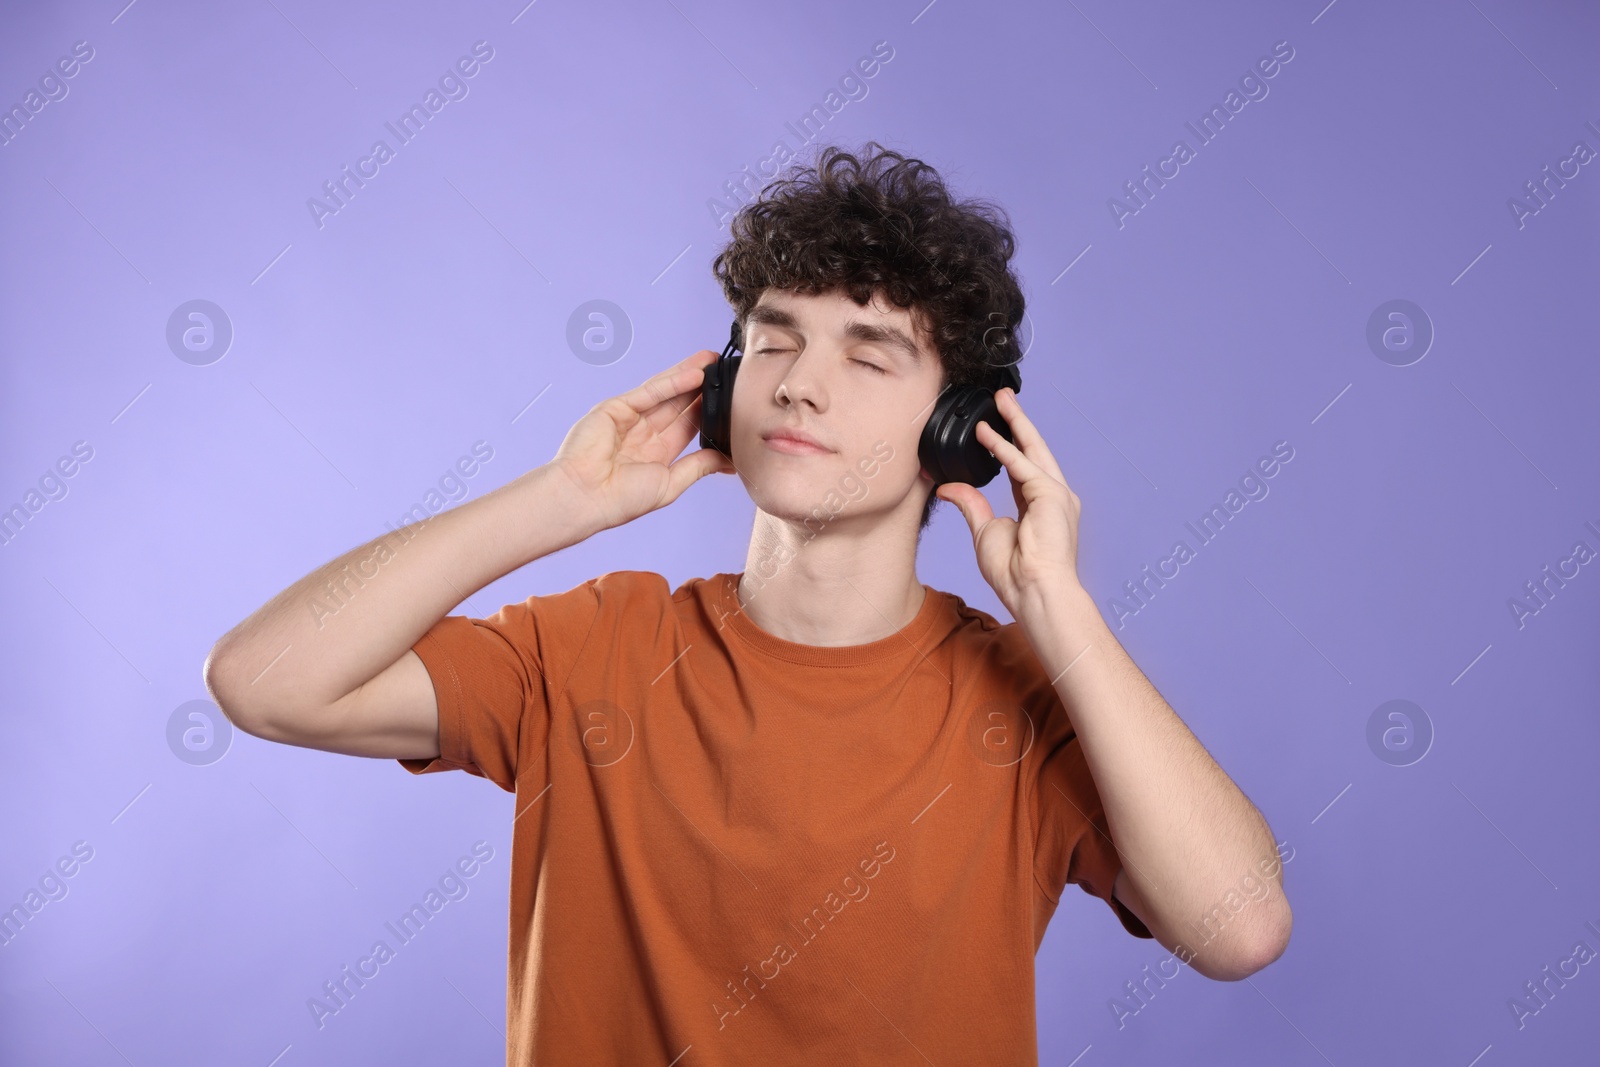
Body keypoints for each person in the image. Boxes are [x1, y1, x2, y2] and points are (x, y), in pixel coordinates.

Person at [205, 142, 1290, 1065]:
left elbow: (1238, 927)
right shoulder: (592, 644)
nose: (798, 382)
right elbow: (264, 681)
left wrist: (1063, 617)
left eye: (868, 357)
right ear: (728, 383)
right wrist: (558, 500)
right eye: (773, 339)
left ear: (958, 430)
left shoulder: (1027, 700)